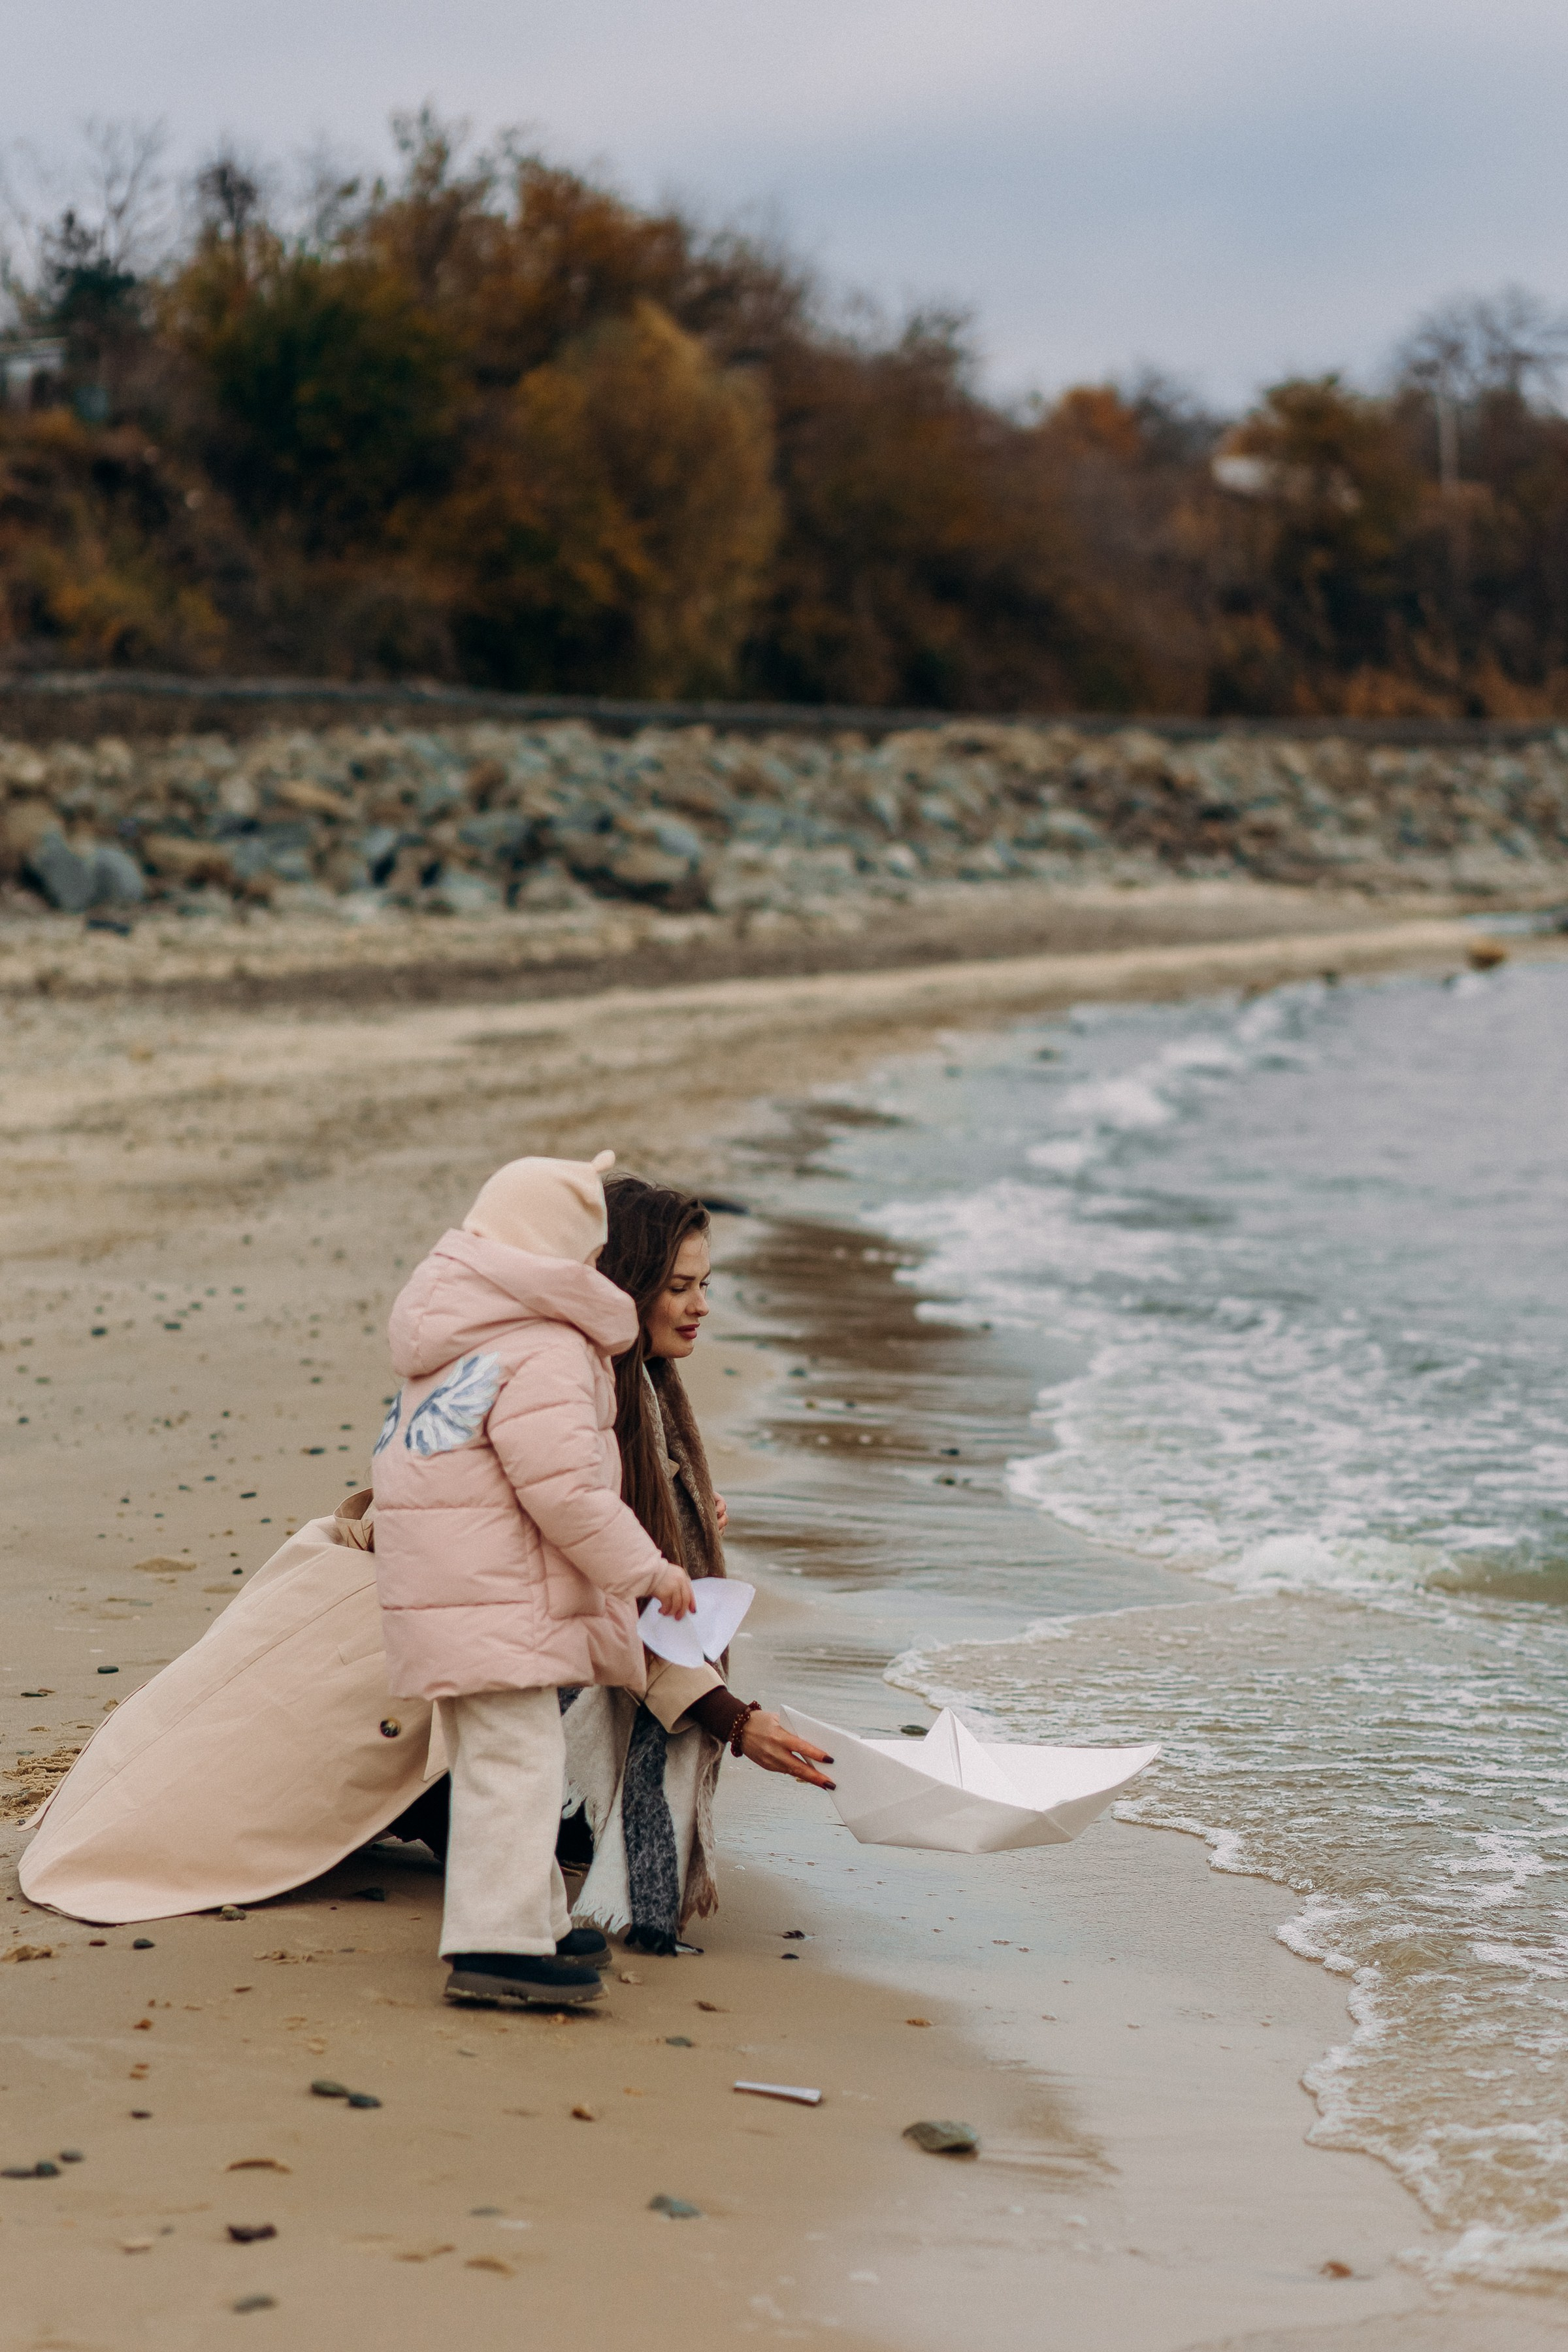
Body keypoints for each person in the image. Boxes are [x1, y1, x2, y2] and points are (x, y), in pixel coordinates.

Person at [372, 1147, 695, 2009]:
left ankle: (535, 1918)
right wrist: (649, 1570)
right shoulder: (543, 1349)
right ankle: (497, 1947)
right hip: (495, 1597)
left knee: (505, 1759)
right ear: (567, 1255)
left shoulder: (453, 1336)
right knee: (514, 1767)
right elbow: (565, 1494)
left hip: (448, 1595)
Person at [560, 1173, 833, 1953]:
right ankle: (626, 1894)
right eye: (678, 1286)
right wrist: (734, 1721)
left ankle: (575, 1829)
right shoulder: (590, 1407)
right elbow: (624, 1619)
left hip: (535, 1666)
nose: (701, 1305)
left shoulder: (639, 1382)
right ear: (627, 1288)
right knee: (669, 1709)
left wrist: (683, 1513)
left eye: (704, 1284)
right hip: (472, 1688)